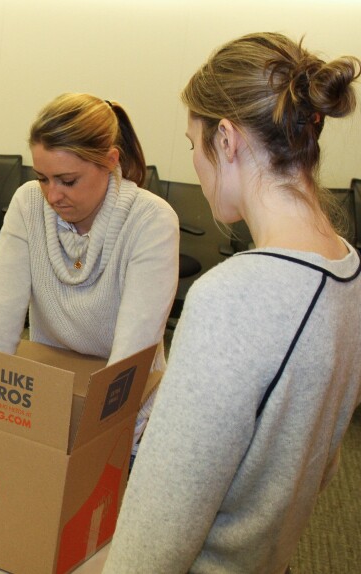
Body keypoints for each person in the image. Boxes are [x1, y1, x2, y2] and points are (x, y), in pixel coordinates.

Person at [105, 33, 361, 573]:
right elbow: (321, 466)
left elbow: (156, 535)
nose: (195, 164)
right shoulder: (349, 271)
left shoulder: (233, 298)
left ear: (226, 139)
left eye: (193, 144)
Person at [0, 93, 180, 373]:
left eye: (68, 181)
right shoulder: (28, 203)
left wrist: (106, 415)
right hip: (53, 383)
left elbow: (132, 353)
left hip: (128, 398)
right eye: (42, 178)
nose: (53, 195)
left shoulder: (151, 220)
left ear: (110, 161)